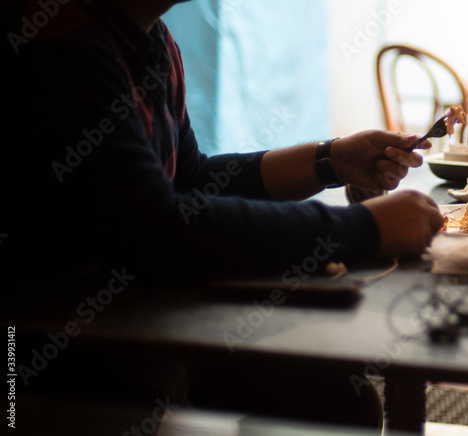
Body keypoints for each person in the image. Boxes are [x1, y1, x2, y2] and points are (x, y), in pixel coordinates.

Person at [1, 0, 442, 432]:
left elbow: (189, 181)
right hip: (46, 365)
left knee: (341, 399)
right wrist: (365, 228)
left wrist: (330, 160)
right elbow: (155, 229)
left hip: (139, 329)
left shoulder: (148, 36)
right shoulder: (58, 44)